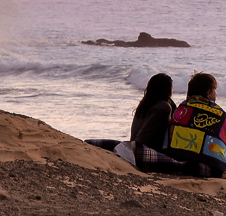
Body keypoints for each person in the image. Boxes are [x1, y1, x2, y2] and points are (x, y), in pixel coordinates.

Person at [85, 73, 214, 176]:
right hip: (142, 152)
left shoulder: (146, 104)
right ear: (167, 89)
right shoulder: (164, 107)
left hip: (133, 147)